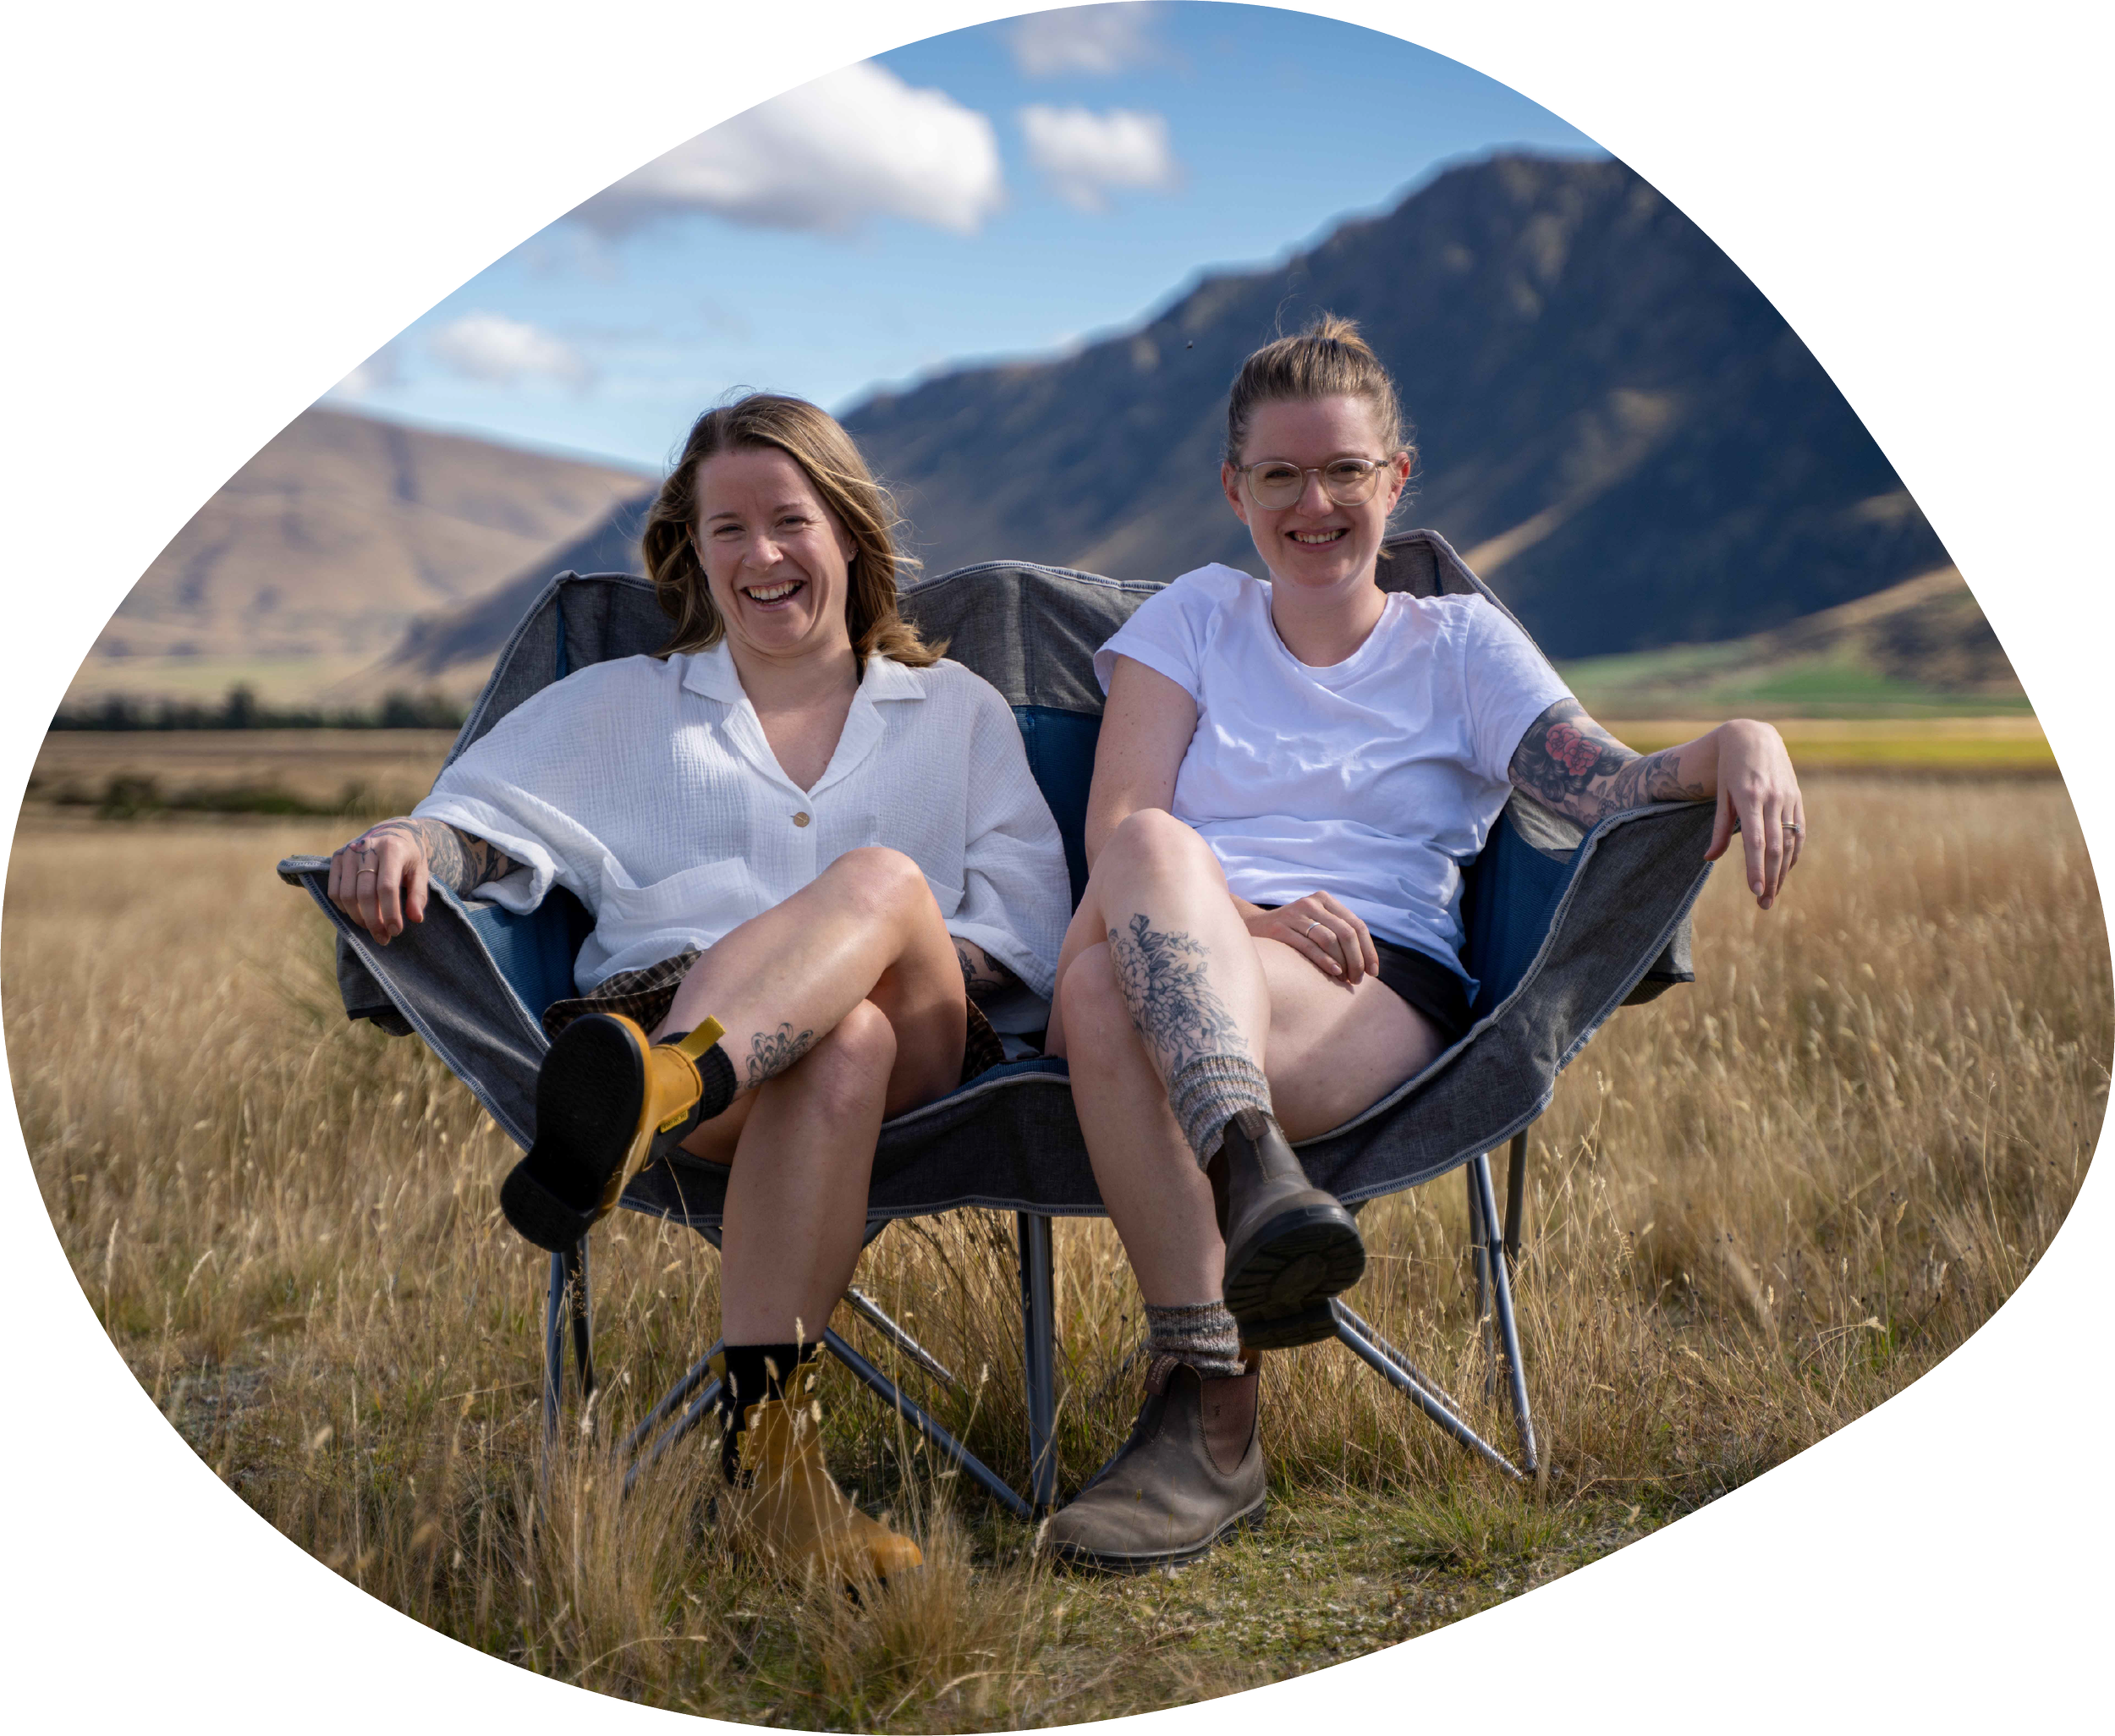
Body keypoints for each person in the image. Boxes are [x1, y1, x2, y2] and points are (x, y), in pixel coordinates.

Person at [1039, 316, 1804, 1571]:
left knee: (1114, 988)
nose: (1315, 502)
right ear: (1236, 492)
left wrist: (1739, 743)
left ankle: (1206, 1412)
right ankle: (1252, 1178)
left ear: (1398, 480)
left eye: (1345, 470)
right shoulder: (1194, 619)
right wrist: (1252, 915)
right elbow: (1122, 824)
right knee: (1153, 856)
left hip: (1359, 992)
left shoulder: (1457, 647)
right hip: (1192, 932)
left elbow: (1602, 786)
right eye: (1280, 474)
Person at [327, 393, 1068, 1584]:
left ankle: (653, 1100)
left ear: (848, 534)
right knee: (843, 1046)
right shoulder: (620, 707)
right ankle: (774, 1479)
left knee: (875, 897)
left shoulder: (957, 711)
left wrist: (856, 949)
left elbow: (1029, 920)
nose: (763, 555)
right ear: (692, 549)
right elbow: (475, 831)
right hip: (703, 1032)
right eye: (728, 529)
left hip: (935, 1031)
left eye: (790, 521)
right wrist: (406, 844)